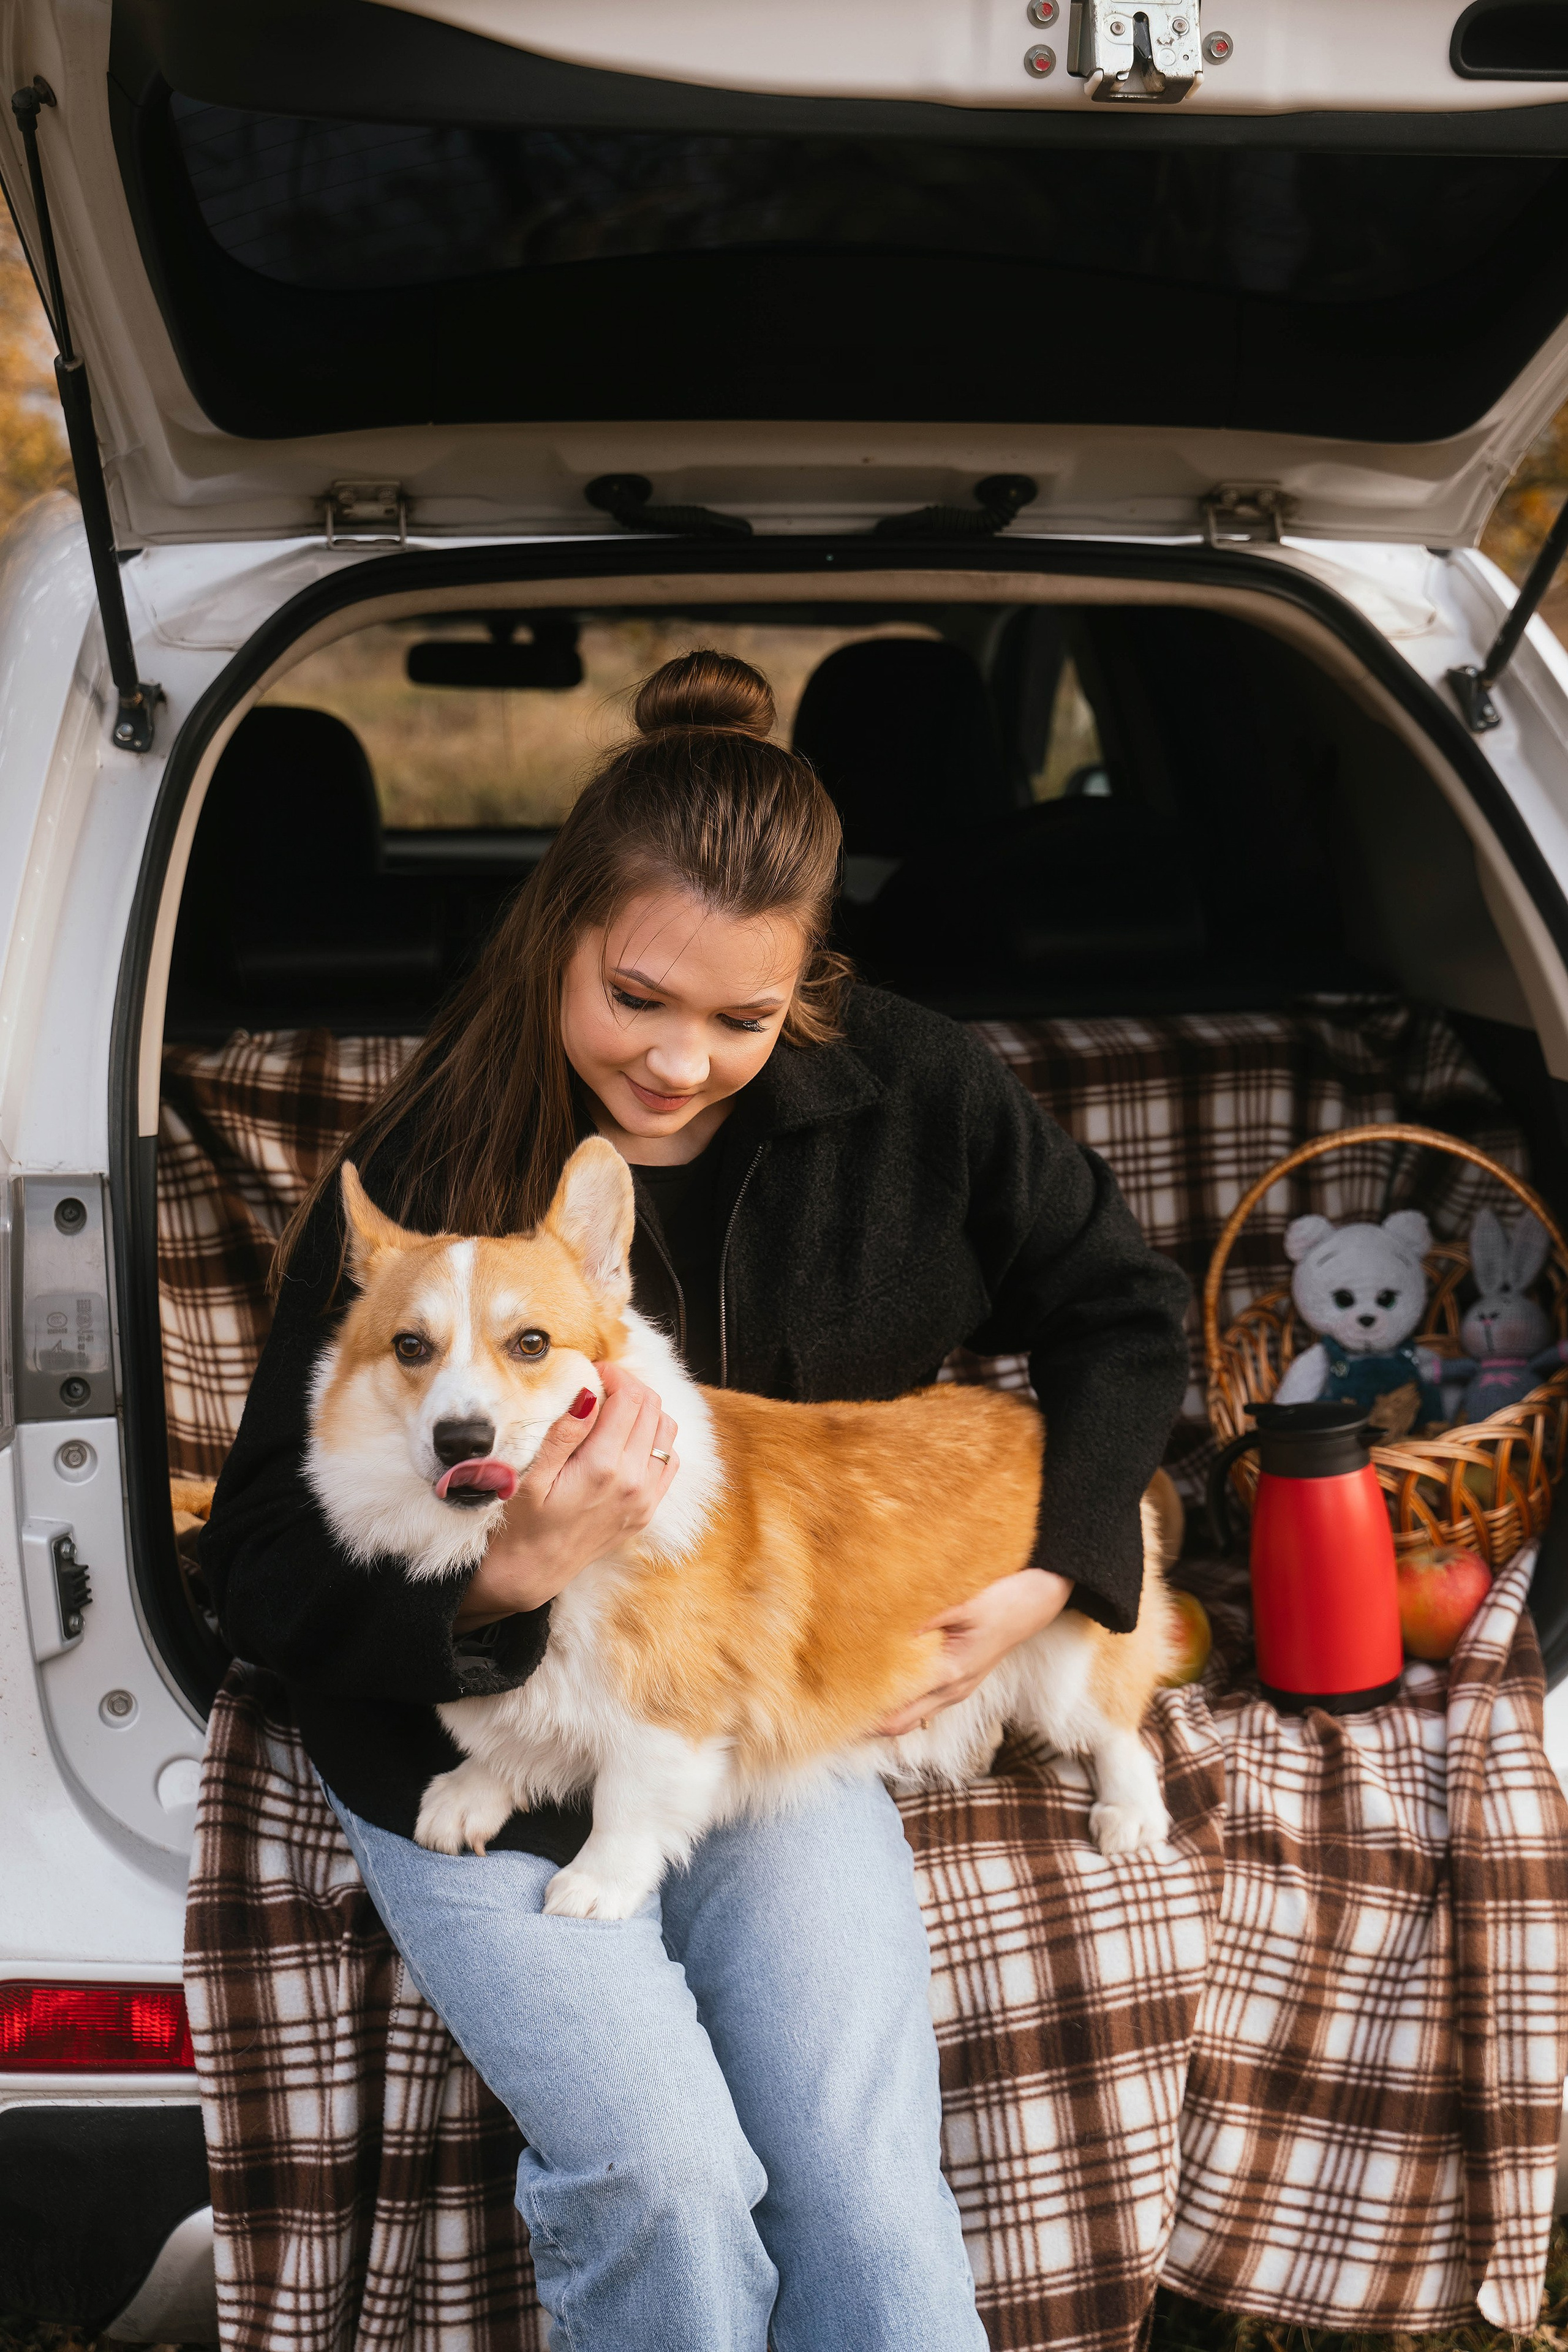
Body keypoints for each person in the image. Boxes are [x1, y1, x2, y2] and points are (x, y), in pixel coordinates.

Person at [202, 649, 1190, 2352]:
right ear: (555, 935)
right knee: (664, 2175)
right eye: (637, 999)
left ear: (812, 979)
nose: (680, 1063)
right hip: (462, 1742)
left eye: (745, 1017)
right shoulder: (438, 1172)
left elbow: (1122, 1315)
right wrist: (506, 1575)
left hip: (745, 1729)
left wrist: (1064, 1572)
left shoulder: (915, 1090)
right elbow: (264, 1573)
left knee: (865, 2196)